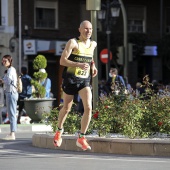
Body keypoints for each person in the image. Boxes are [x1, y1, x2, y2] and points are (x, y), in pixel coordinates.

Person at [53, 20, 98, 151]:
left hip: (84, 80)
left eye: (90, 29)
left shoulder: (93, 44)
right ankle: (59, 130)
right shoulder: (73, 42)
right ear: (79, 29)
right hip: (70, 79)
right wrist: (78, 65)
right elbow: (62, 60)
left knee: (89, 107)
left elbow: (90, 57)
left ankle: (81, 138)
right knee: (66, 108)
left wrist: (93, 66)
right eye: (85, 29)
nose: (88, 31)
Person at [0, 55, 18, 140]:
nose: (3, 62)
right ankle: (11, 132)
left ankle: (13, 133)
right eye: (3, 61)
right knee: (10, 113)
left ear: (10, 61)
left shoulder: (11, 70)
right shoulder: (9, 70)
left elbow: (8, 81)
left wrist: (2, 80)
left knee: (12, 113)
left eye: (5, 61)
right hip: (9, 93)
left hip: (11, 93)